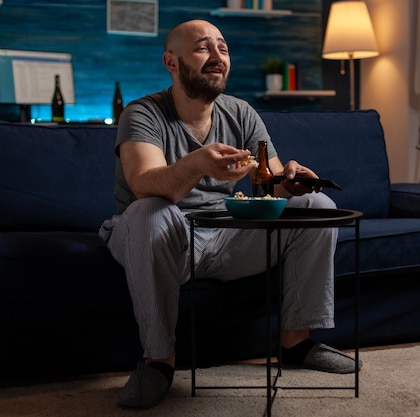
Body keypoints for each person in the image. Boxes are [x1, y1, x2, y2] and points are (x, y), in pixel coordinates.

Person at [98, 19, 362, 409]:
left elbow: (269, 181)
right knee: (150, 211)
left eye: (222, 48)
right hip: (161, 235)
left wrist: (291, 180)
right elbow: (145, 184)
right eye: (203, 48)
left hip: (225, 235)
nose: (217, 56)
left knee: (317, 206)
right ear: (171, 62)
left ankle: (296, 343)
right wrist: (199, 163)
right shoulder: (143, 113)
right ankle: (158, 362)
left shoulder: (240, 112)